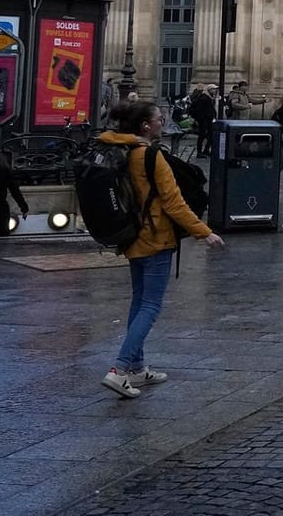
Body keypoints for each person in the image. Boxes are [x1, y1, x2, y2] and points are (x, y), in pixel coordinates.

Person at [98, 99, 225, 399]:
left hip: (132, 235)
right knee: (151, 306)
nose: (162, 122)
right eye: (158, 118)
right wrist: (204, 232)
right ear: (146, 126)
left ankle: (137, 368)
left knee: (139, 302)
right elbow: (173, 202)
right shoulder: (151, 156)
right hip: (155, 237)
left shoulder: (122, 149)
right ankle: (118, 370)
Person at [189, 83, 217, 158]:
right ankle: (199, 152)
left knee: (210, 135)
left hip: (209, 120)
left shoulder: (210, 98)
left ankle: (206, 150)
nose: (215, 91)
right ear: (210, 90)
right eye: (214, 89)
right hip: (204, 120)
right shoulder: (204, 98)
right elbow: (199, 110)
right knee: (202, 136)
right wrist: (201, 119)